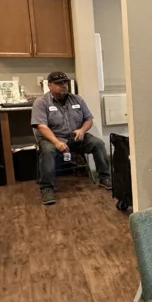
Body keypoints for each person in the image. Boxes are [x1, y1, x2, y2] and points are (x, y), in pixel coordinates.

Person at [31, 71, 112, 205]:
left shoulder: (77, 99)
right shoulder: (41, 102)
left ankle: (105, 177)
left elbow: (88, 119)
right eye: (59, 83)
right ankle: (47, 188)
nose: (63, 86)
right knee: (47, 151)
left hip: (76, 137)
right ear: (49, 85)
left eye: (65, 83)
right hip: (52, 138)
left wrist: (82, 130)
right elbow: (42, 126)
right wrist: (56, 142)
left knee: (98, 143)